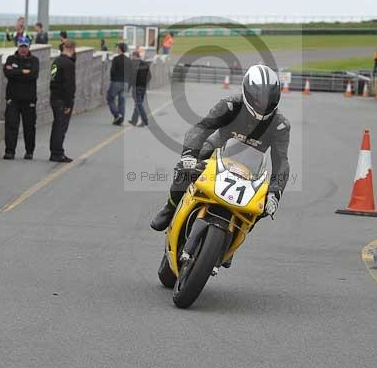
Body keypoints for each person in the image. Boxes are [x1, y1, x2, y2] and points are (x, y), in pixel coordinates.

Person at [150, 64, 291, 232]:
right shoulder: (230, 105)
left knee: (262, 206)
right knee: (186, 169)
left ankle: (235, 237)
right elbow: (201, 128)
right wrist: (189, 155)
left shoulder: (280, 125)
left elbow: (281, 160)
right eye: (259, 99)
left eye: (268, 100)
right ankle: (170, 208)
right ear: (247, 91)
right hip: (217, 150)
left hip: (252, 168)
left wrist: (275, 193)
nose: (263, 104)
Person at [3, 36, 39, 159]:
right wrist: (23, 72)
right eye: (21, 46)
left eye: (25, 47)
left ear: (29, 47)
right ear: (17, 47)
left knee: (29, 127)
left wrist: (16, 71)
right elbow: (8, 73)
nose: (23, 49)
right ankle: (10, 151)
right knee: (11, 125)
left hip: (29, 99)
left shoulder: (34, 60)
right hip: (13, 98)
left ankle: (29, 151)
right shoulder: (10, 58)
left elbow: (33, 75)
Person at [49, 40, 76, 162]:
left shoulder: (56, 61)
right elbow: (69, 85)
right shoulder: (68, 64)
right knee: (61, 127)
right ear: (72, 49)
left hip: (54, 97)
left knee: (56, 126)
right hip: (62, 99)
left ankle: (55, 151)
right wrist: (68, 103)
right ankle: (57, 153)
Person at [107, 42, 131, 125]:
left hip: (116, 82)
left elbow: (112, 71)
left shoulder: (116, 59)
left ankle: (117, 115)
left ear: (120, 49)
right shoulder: (128, 60)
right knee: (122, 101)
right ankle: (120, 119)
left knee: (110, 98)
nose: (116, 49)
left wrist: (112, 80)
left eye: (117, 47)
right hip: (125, 83)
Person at [129, 47, 151, 127]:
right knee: (139, 103)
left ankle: (144, 120)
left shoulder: (133, 64)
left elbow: (131, 76)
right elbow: (149, 76)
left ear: (135, 56)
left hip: (136, 87)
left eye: (132, 56)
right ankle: (134, 120)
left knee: (138, 104)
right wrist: (144, 83)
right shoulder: (145, 64)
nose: (131, 57)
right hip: (143, 87)